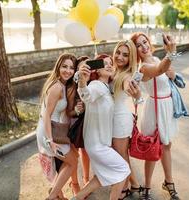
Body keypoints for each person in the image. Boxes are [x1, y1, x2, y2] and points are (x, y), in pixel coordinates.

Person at [71, 54, 130, 200]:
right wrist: (82, 83)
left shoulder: (106, 87)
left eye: (111, 63)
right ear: (96, 69)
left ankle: (77, 198)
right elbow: (86, 95)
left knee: (101, 176)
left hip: (100, 142)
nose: (109, 65)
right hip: (96, 144)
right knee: (123, 169)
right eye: (105, 63)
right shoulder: (96, 85)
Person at [130, 32, 180, 200]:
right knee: (152, 149)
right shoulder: (143, 68)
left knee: (166, 145)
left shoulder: (158, 59)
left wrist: (171, 73)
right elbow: (159, 70)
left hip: (167, 107)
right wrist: (171, 52)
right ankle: (147, 187)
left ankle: (169, 182)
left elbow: (166, 72)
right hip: (154, 109)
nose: (144, 46)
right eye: (138, 45)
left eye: (145, 42)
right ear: (135, 51)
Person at [36, 53, 79, 200]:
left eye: (71, 68)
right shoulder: (56, 87)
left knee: (70, 160)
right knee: (73, 161)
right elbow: (47, 115)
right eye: (64, 66)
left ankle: (56, 194)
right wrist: (50, 140)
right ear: (58, 67)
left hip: (52, 130)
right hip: (49, 133)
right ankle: (53, 196)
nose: (68, 70)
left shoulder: (62, 85)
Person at [112, 40, 143, 199]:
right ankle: (136, 184)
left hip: (120, 120)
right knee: (121, 155)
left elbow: (128, 86)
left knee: (121, 156)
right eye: (118, 52)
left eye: (125, 55)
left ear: (130, 58)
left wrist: (137, 95)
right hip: (114, 119)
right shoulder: (114, 70)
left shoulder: (127, 76)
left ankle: (124, 187)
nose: (120, 57)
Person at [66, 56, 91, 195]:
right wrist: (76, 109)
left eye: (87, 66)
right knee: (73, 154)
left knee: (85, 151)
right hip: (73, 123)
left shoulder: (93, 84)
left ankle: (86, 179)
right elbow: (67, 111)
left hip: (87, 122)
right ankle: (74, 183)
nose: (84, 70)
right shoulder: (71, 87)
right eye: (81, 67)